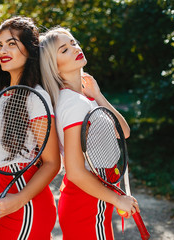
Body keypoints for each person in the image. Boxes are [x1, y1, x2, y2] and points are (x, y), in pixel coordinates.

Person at [39, 27, 140, 239]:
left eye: (73, 42)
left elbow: (124, 132)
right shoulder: (72, 104)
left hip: (96, 197)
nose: (75, 48)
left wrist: (97, 94)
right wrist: (117, 199)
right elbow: (74, 170)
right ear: (54, 66)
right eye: (64, 50)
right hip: (84, 202)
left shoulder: (84, 98)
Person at [0, 16, 60, 240]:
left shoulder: (35, 96)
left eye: (12, 43)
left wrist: (17, 200)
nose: (3, 50)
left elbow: (52, 163)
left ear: (30, 50)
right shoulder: (0, 94)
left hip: (25, 205)